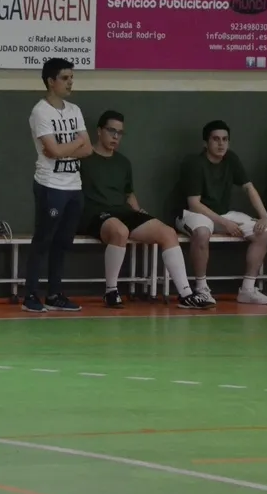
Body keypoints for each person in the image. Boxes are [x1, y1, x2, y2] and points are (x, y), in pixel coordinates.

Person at [78, 110, 214, 309]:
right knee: (120, 231)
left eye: (120, 133)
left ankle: (186, 295)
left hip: (123, 212)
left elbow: (128, 194)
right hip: (95, 214)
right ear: (99, 131)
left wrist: (139, 212)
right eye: (111, 131)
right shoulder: (84, 158)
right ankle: (111, 291)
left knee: (167, 233)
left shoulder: (123, 162)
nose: (115, 136)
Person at [174, 120, 267, 305]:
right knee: (202, 232)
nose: (221, 144)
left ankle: (247, 290)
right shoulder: (194, 163)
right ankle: (201, 289)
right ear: (206, 143)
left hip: (222, 214)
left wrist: (264, 216)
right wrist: (224, 223)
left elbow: (249, 187)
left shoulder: (231, 159)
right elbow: (194, 204)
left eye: (225, 139)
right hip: (192, 214)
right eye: (216, 139)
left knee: (263, 232)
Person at [22, 57, 93, 313]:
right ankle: (31, 295)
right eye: (65, 78)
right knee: (43, 240)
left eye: (72, 77)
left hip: (74, 186)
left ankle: (54, 294)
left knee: (63, 242)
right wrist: (74, 144)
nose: (70, 82)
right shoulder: (40, 112)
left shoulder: (74, 110)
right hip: (50, 185)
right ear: (51, 81)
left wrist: (66, 149)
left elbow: (88, 149)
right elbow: (53, 151)